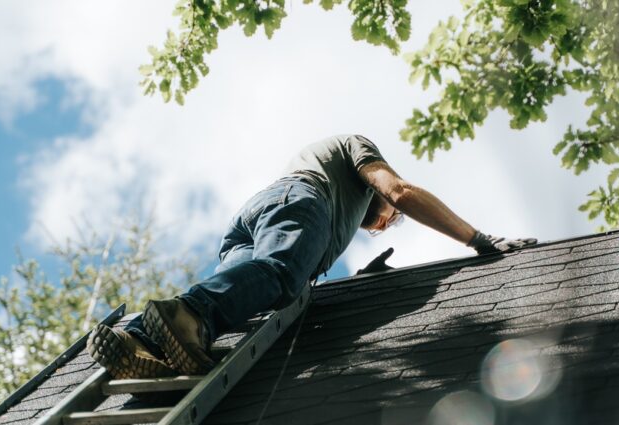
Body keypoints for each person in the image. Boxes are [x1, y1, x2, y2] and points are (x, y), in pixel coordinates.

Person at [86, 135, 536, 378]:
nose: (380, 226)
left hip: (255, 216)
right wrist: (478, 239)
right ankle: (190, 313)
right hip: (299, 202)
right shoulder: (357, 153)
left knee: (244, 292)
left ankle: (138, 339)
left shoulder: (329, 189)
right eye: (384, 221)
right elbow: (399, 190)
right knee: (282, 276)